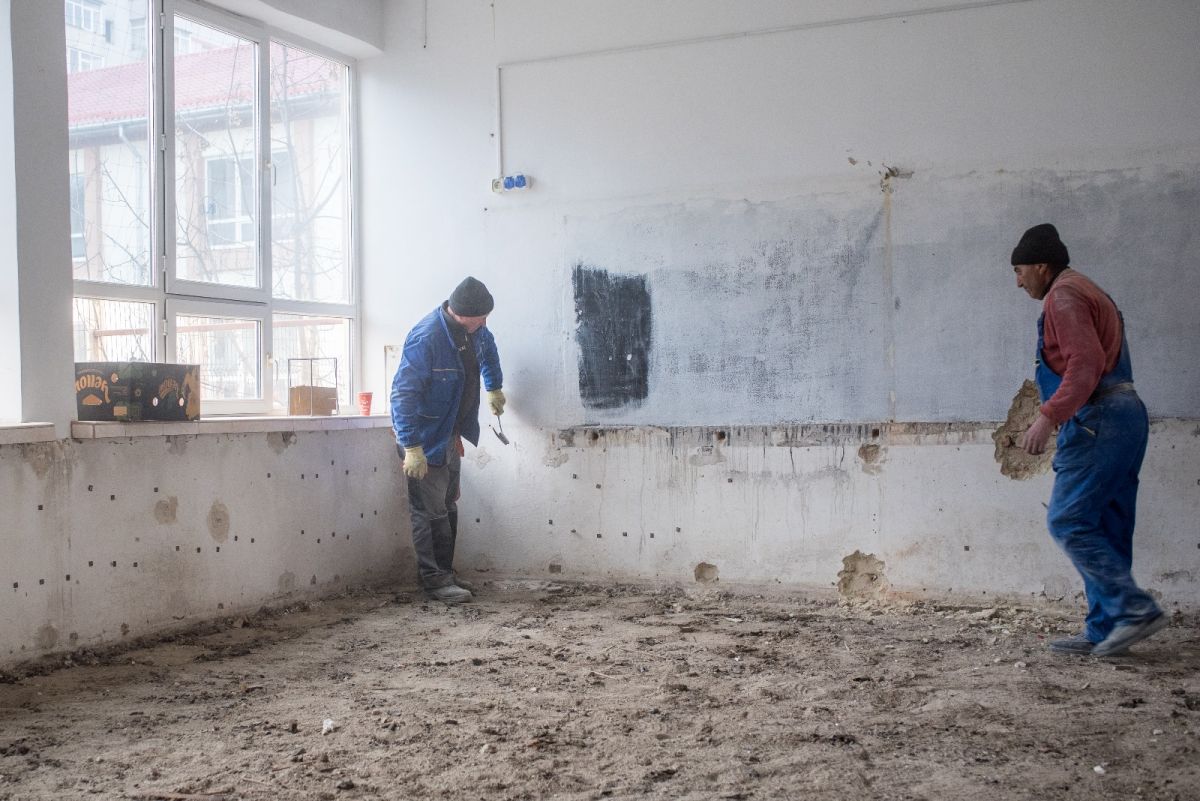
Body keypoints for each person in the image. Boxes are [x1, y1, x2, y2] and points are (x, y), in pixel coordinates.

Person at [1011, 223, 1165, 656]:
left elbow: (1086, 364)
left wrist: (1047, 417)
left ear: (1042, 266)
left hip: (1098, 417)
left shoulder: (1063, 296)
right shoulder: (1089, 289)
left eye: (1020, 271)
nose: (1018, 281)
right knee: (1108, 523)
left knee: (1068, 520)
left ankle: (1133, 609)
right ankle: (1107, 629)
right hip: (1126, 414)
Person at [390, 277, 505, 604]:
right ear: (463, 314)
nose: (485, 323)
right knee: (428, 511)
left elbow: (489, 352)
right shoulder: (427, 338)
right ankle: (434, 581)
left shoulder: (475, 332)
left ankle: (446, 574)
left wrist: (494, 386)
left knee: (448, 504)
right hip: (424, 440)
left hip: (450, 434)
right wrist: (412, 446)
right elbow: (403, 394)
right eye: (481, 318)